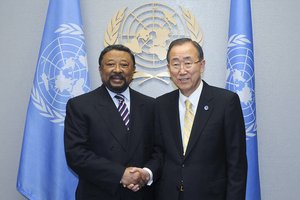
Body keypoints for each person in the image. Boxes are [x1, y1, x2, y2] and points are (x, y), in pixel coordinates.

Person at [154, 38, 247, 200]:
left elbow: (236, 163)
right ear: (169, 68)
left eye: (188, 63)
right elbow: (159, 153)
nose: (182, 71)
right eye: (175, 64)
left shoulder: (225, 102)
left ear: (202, 65)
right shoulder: (161, 104)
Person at [64, 44, 161, 200]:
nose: (117, 70)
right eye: (110, 64)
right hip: (99, 194)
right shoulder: (80, 106)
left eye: (124, 64)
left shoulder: (151, 105)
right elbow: (77, 155)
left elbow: (160, 150)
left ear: (133, 70)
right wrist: (120, 174)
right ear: (100, 69)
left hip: (142, 195)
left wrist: (147, 173)